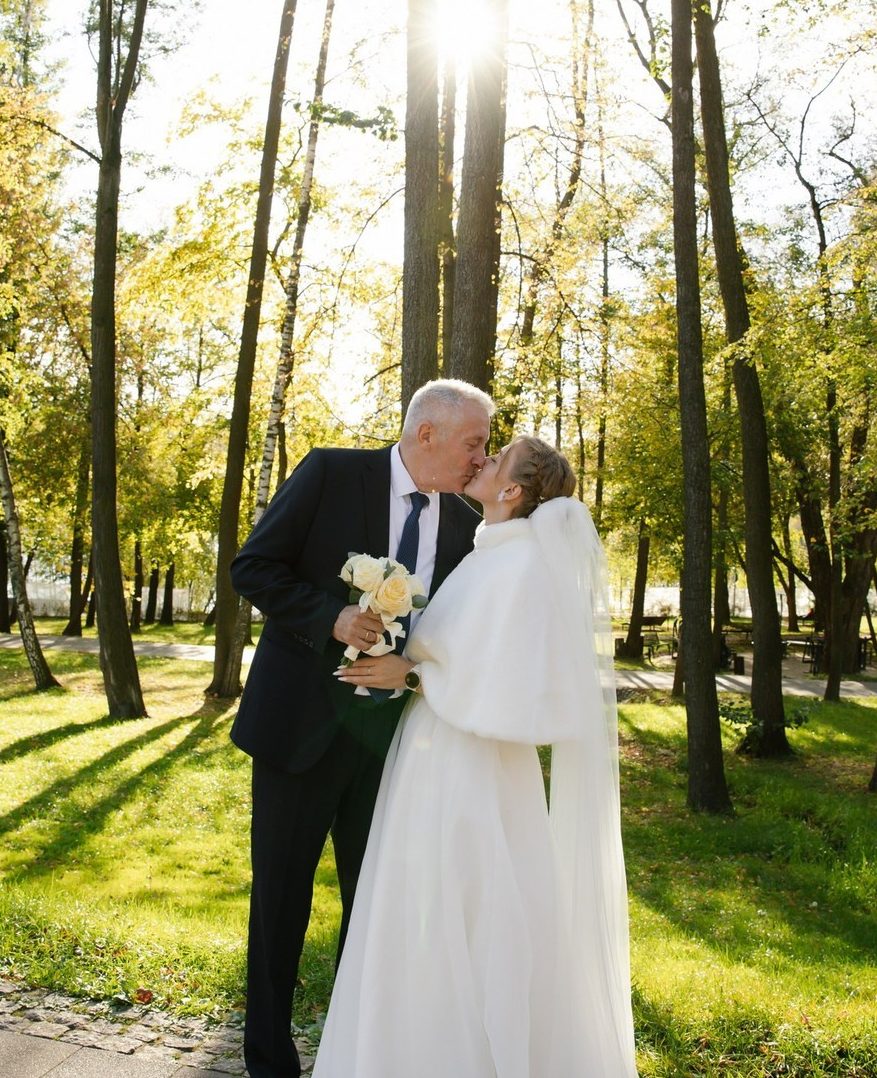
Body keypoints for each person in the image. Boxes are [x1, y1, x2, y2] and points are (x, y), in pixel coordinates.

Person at [314, 436, 640, 1078]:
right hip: (438, 759)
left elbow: (511, 687)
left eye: (496, 460)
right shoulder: (487, 555)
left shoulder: (519, 567)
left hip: (470, 773)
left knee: (464, 914)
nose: (482, 463)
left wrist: (411, 675)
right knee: (428, 914)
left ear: (513, 490)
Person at [229, 379, 495, 1078]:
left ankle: (354, 1057)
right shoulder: (330, 471)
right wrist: (330, 619)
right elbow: (253, 567)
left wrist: (407, 669)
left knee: (374, 912)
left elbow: (453, 640)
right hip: (297, 733)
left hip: (392, 748)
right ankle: (268, 1062)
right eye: (475, 442)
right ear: (427, 433)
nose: (481, 458)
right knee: (278, 905)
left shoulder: (469, 530)